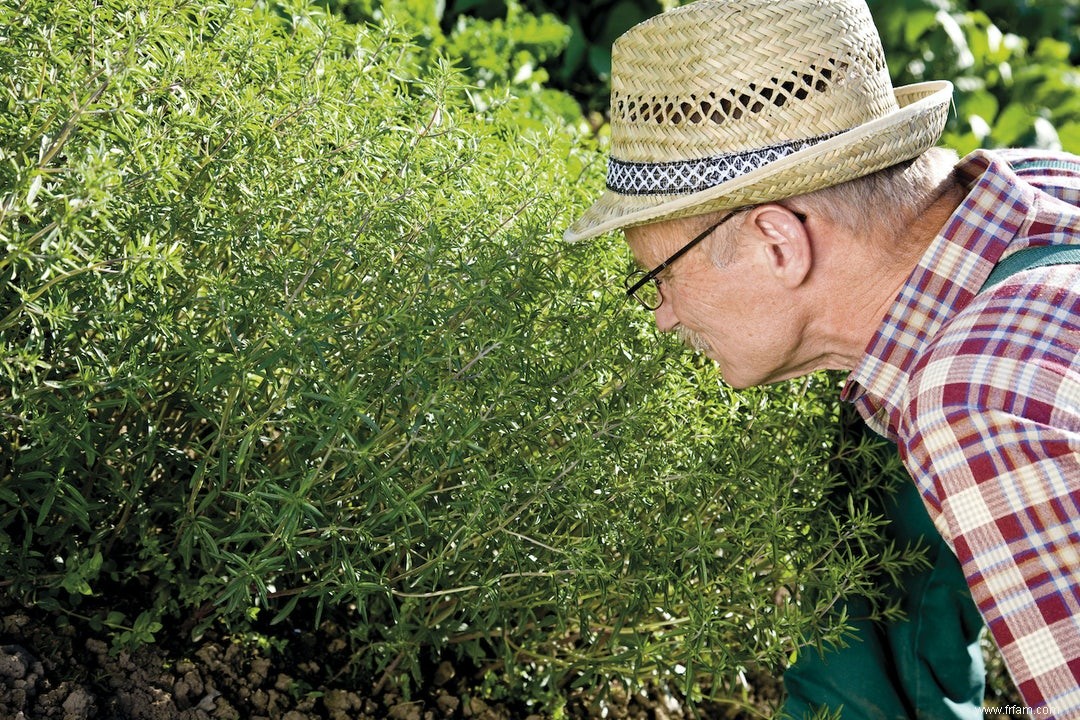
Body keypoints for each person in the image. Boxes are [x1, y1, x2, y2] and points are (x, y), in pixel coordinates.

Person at [565, 0, 1080, 717]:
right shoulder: (1040, 190)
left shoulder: (973, 402)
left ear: (779, 242)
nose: (661, 318)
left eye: (661, 278)